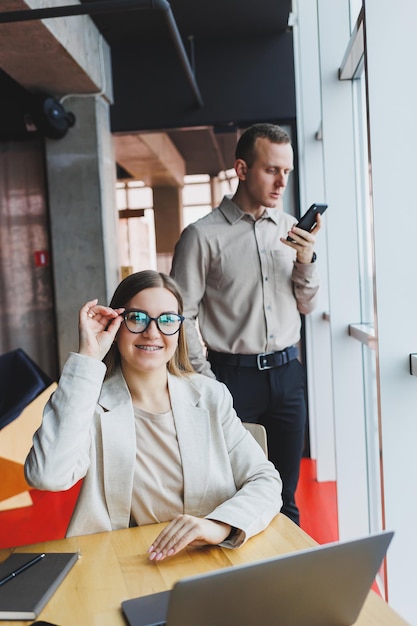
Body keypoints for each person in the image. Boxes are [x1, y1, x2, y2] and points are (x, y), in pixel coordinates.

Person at [24, 270, 282, 561]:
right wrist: (87, 358)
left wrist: (219, 525)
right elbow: (47, 476)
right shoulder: (90, 405)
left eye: (168, 320)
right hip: (124, 561)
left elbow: (265, 479)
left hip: (210, 555)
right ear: (116, 325)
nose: (152, 332)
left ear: (180, 329)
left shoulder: (210, 396)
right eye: (137, 318)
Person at [170, 123, 321, 525]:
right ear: (241, 169)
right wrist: (205, 378)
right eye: (272, 170)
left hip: (288, 377)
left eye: (286, 172)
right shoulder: (201, 237)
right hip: (232, 379)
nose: (281, 182)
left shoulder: (290, 228)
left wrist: (306, 260)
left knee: (287, 497)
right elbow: (181, 314)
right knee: (236, 493)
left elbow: (307, 303)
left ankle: (286, 584)